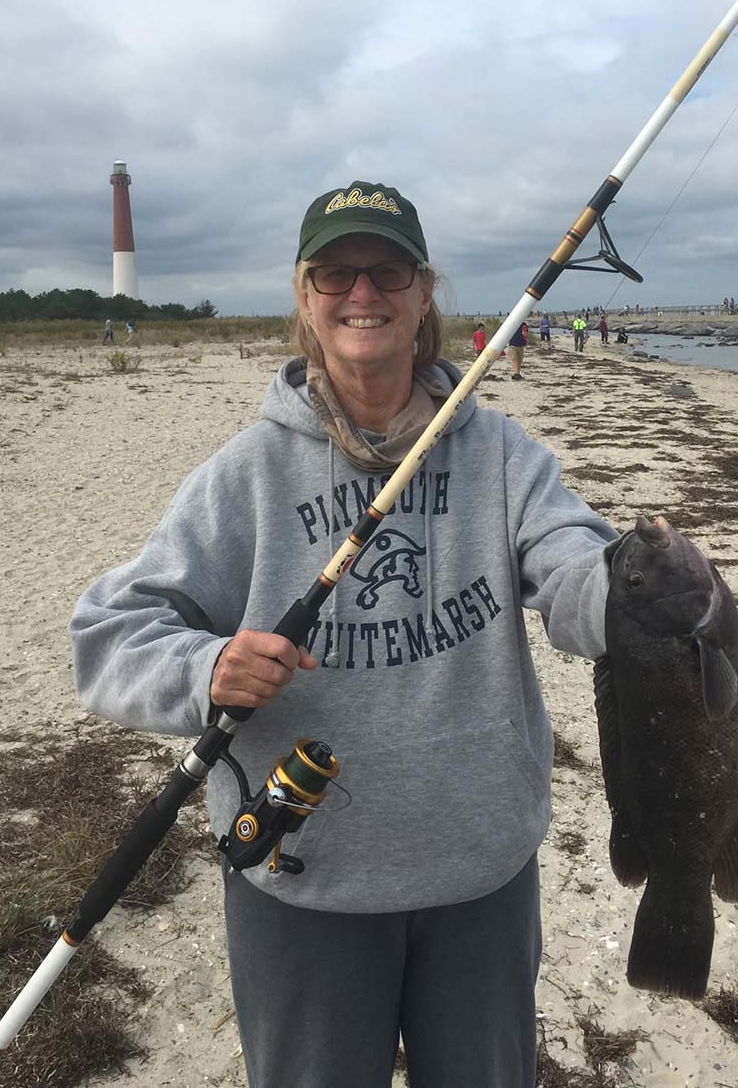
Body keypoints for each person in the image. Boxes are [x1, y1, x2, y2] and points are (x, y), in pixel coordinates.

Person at [69, 181, 623, 1088]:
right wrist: (207, 666)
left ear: (424, 291)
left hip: (480, 876)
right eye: (335, 272)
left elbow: (573, 566)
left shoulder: (503, 457)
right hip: (302, 882)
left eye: (388, 269)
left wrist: (623, 596)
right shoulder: (245, 475)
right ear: (305, 295)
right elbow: (107, 633)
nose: (362, 292)